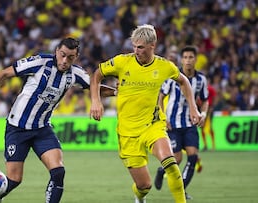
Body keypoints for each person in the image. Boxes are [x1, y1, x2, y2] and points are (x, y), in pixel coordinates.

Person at [0, 37, 115, 203]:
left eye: (70, 57)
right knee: (14, 180)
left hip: (42, 129)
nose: (65, 61)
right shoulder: (40, 62)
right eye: (62, 55)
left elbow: (95, 87)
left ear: (76, 57)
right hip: (17, 128)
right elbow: (5, 73)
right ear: (57, 51)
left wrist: (117, 92)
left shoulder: (75, 74)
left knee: (58, 172)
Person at [90, 24, 202, 203]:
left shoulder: (164, 66)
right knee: (144, 186)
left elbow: (184, 82)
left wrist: (193, 108)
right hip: (128, 132)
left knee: (171, 164)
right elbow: (97, 75)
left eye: (140, 47)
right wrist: (96, 101)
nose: (136, 50)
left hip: (153, 125)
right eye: (134, 46)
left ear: (152, 45)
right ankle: (139, 197)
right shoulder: (121, 62)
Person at [153, 46, 209, 200]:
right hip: (173, 124)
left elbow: (205, 101)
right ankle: (161, 171)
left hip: (190, 124)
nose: (188, 60)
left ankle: (181, 189)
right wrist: (163, 117)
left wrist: (203, 113)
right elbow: (160, 97)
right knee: (176, 159)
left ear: (195, 59)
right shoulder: (173, 76)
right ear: (181, 59)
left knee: (193, 157)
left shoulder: (201, 80)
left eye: (191, 57)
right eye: (185, 57)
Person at [200, 77, 217, 151]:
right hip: (203, 110)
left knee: (209, 127)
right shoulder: (201, 89)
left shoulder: (210, 89)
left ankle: (213, 145)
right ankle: (205, 145)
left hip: (209, 109)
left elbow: (215, 98)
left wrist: (212, 106)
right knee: (202, 127)